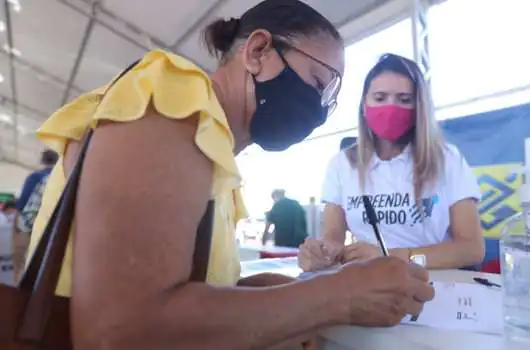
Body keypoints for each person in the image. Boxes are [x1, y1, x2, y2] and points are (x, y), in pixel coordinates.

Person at [27, 2, 434, 349]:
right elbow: (120, 330)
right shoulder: (171, 102)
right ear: (258, 51)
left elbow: (194, 294)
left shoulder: (211, 148)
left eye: (330, 100)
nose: (320, 110)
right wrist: (338, 297)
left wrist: (294, 296)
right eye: (318, 84)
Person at [299, 53, 485, 272]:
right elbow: (333, 238)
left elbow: (471, 249)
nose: (391, 107)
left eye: (404, 100)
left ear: (419, 107)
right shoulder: (342, 165)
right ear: (364, 106)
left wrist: (393, 257)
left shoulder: (446, 159)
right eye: (379, 98)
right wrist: (322, 253)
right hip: (369, 286)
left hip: (434, 287)